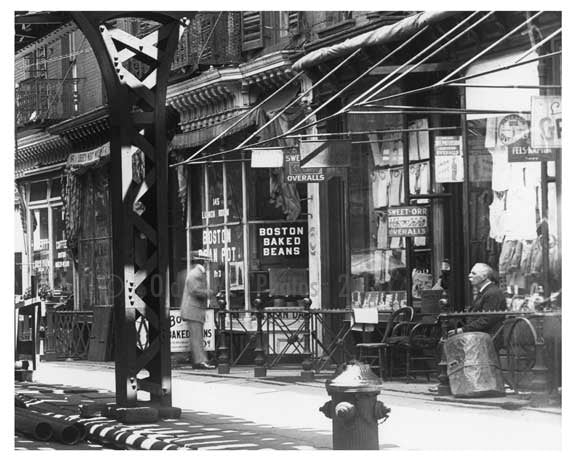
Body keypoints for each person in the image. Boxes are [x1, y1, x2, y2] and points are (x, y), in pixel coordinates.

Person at [448, 262, 507, 336]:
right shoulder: (486, 291)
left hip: (485, 339)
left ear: (484, 276)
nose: (469, 276)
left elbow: (487, 320)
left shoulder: (492, 293)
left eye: (474, 273)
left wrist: (463, 330)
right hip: (479, 335)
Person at [180, 252, 216, 369]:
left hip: (193, 310)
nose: (209, 264)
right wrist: (210, 292)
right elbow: (195, 290)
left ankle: (198, 360)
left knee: (197, 336)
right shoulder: (196, 273)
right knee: (197, 337)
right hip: (193, 310)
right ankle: (200, 361)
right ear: (204, 262)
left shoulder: (196, 273)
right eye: (208, 262)